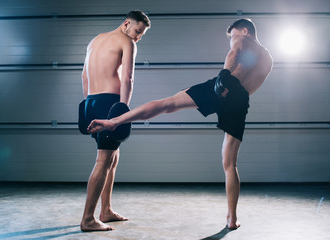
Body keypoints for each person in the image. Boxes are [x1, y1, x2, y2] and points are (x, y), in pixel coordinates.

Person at [88, 18, 273, 229]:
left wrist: (223, 76)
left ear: (246, 31)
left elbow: (235, 52)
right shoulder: (268, 59)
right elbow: (254, 85)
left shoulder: (243, 39)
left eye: (234, 34)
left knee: (166, 104)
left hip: (222, 86)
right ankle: (232, 219)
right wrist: (236, 99)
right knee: (230, 163)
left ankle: (114, 122)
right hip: (240, 100)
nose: (233, 38)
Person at [80, 10, 150, 232]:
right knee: (103, 160)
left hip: (91, 101)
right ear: (127, 23)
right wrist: (122, 112)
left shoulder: (95, 40)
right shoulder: (127, 42)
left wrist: (90, 104)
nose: (138, 37)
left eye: (141, 35)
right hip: (111, 103)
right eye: (137, 31)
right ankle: (88, 219)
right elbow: (128, 77)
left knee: (113, 157)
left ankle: (106, 210)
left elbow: (84, 76)